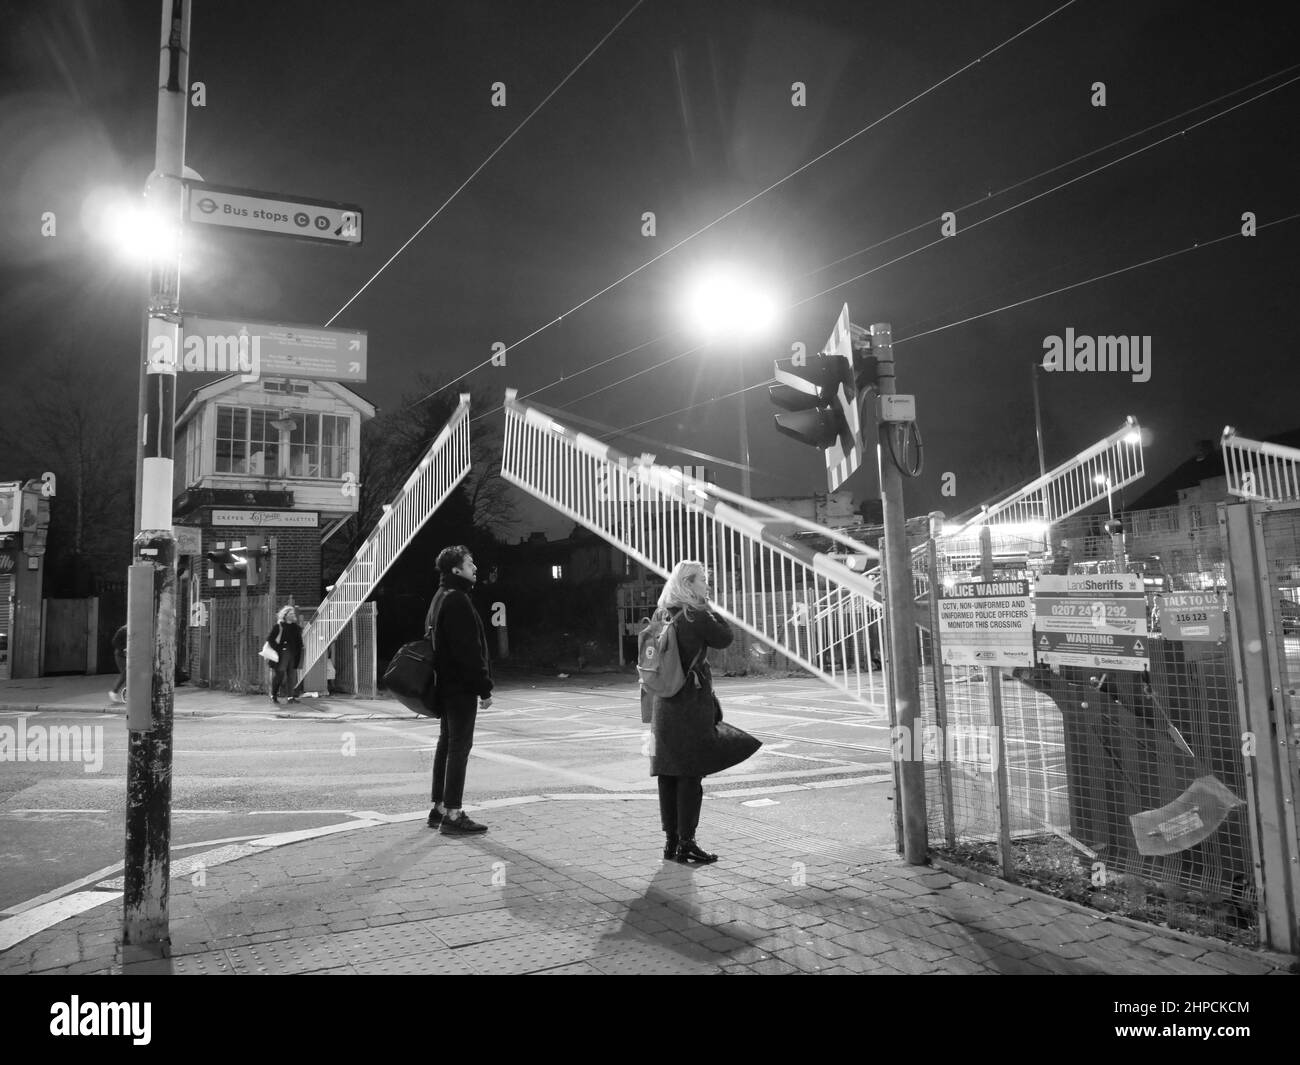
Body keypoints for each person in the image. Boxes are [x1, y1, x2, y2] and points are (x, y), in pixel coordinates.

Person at [643, 560, 751, 865]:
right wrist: (709, 608)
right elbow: (725, 638)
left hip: (663, 702)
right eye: (703, 580)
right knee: (690, 773)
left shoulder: (661, 613)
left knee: (668, 772)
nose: (707, 585)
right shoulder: (696, 614)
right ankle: (687, 843)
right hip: (690, 703)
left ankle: (671, 842)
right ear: (689, 584)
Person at [425, 545, 493, 835]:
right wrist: (484, 687)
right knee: (459, 747)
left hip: (445, 685)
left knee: (446, 745)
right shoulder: (459, 601)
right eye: (469, 563)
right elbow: (468, 651)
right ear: (456, 570)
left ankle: (439, 807)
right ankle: (453, 814)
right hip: (460, 687)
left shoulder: (440, 598)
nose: (474, 567)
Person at [266, 605, 304, 704]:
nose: (293, 615)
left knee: (291, 676)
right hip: (281, 655)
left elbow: (299, 642)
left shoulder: (296, 627)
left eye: (293, 614)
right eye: (291, 614)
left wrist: (300, 651)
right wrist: (277, 648)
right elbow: (270, 639)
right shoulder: (279, 626)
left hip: (292, 655)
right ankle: (273, 695)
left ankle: (290, 697)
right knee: (280, 676)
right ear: (285, 615)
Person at [109, 624, 127, 703]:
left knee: (129, 674)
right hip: (121, 655)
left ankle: (127, 693)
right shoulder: (123, 630)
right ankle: (113, 692)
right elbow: (114, 642)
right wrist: (123, 648)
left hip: (128, 654)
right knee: (125, 673)